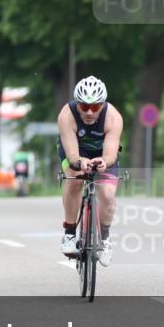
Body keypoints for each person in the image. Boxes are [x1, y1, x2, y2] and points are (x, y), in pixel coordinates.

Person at [57, 76, 123, 266]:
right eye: (84, 106)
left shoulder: (113, 117)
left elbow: (110, 154)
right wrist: (79, 162)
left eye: (95, 107)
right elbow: (72, 155)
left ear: (102, 104)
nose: (89, 112)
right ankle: (70, 233)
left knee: (107, 194)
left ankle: (105, 238)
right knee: (76, 180)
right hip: (75, 151)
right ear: (77, 103)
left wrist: (104, 161)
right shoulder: (66, 115)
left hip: (103, 153)